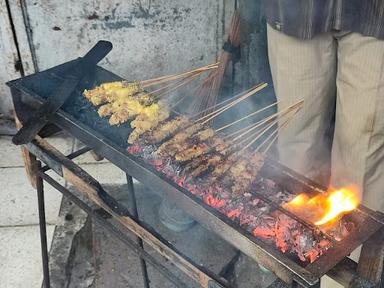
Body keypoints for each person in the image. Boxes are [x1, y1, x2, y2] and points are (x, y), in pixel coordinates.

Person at [262, 1, 384, 212]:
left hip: (375, 12)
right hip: (296, 11)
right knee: (296, 144)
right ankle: (293, 237)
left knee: (363, 152)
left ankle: (353, 243)